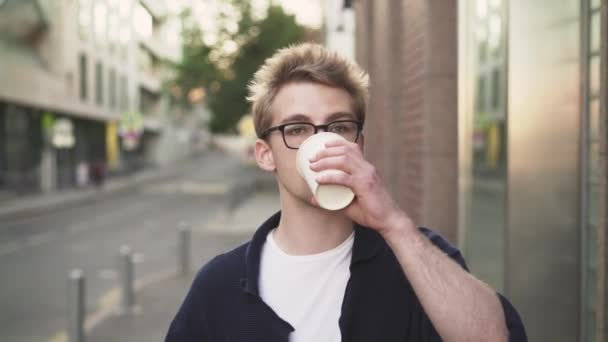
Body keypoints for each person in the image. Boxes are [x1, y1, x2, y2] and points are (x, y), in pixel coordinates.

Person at [166, 43, 527, 342]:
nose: (321, 143)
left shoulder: (415, 260)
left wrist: (394, 224)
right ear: (265, 154)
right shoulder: (220, 286)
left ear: (359, 144)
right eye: (297, 128)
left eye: (338, 126)